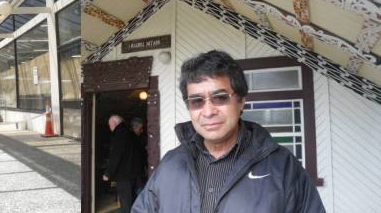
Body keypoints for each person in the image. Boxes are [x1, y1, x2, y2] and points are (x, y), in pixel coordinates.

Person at [132, 50, 325, 213]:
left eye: (220, 98)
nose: (208, 112)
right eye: (196, 101)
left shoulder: (282, 166)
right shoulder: (170, 164)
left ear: (241, 101)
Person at [103, 115, 143, 213]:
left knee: (126, 205)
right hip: (135, 175)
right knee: (134, 202)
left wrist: (108, 173)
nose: (110, 128)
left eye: (109, 125)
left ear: (114, 123)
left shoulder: (119, 134)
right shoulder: (132, 134)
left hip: (124, 177)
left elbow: (116, 155)